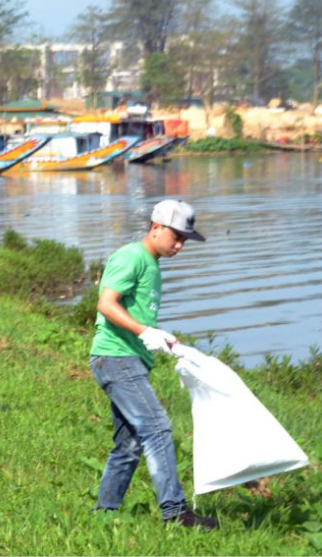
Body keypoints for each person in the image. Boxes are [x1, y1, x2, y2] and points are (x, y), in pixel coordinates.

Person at [89, 199, 218, 530]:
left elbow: (136, 312)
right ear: (155, 227)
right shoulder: (131, 257)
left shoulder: (151, 263)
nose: (179, 245)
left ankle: (103, 516)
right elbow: (106, 303)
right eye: (175, 236)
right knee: (158, 428)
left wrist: (162, 338)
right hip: (116, 358)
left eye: (184, 240)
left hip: (127, 359)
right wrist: (145, 331)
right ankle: (176, 513)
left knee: (129, 443)